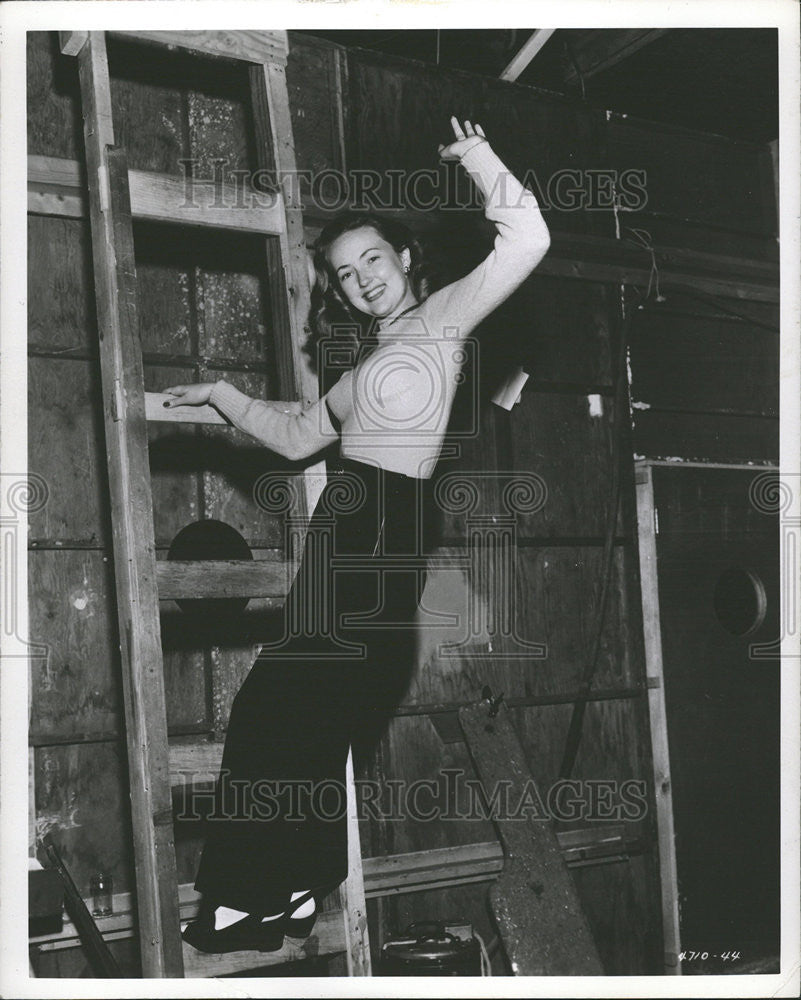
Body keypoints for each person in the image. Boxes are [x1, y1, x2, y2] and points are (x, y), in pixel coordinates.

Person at [162, 117, 550, 953]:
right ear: (336, 293)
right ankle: (290, 893)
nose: (362, 278)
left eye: (373, 259)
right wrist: (225, 397)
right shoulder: (360, 372)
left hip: (383, 535)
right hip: (344, 533)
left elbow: (527, 234)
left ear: (406, 261)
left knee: (275, 706)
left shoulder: (444, 318)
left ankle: (249, 895)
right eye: (345, 273)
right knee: (295, 724)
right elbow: (300, 435)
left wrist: (475, 156)